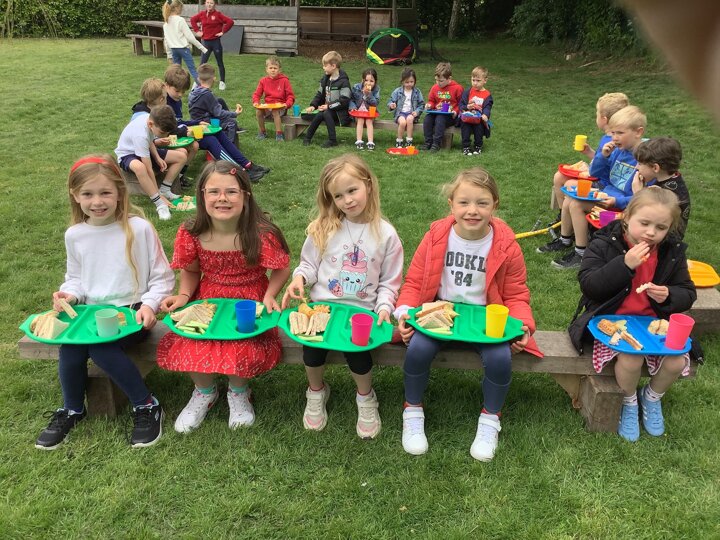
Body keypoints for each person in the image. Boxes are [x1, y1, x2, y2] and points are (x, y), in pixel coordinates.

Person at [394, 167, 541, 461]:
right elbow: (414, 281)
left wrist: (523, 326)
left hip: (485, 319)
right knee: (418, 349)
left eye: (482, 203)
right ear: (451, 204)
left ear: (494, 205)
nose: (472, 211)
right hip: (440, 313)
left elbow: (515, 294)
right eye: (464, 202)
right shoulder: (435, 238)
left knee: (500, 357)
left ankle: (490, 419)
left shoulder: (506, 246)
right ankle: (412, 410)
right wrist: (405, 312)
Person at [35, 155, 175, 450]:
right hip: (89, 315)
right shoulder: (75, 235)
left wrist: (149, 305)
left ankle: (146, 405)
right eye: (87, 194)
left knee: (101, 348)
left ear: (120, 192)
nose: (97, 201)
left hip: (132, 312)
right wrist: (69, 294)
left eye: (105, 193)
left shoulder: (139, 229)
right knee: (70, 348)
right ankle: (72, 409)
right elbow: (76, 278)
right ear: (75, 195)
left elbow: (162, 277)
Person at [157, 160, 290, 433]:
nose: (222, 198)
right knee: (191, 340)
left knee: (240, 343)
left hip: (249, 299)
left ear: (246, 196)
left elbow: (281, 268)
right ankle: (204, 391)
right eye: (214, 192)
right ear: (202, 195)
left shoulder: (260, 232)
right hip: (208, 298)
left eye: (231, 191)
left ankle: (239, 391)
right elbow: (191, 270)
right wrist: (183, 295)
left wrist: (269, 295)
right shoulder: (192, 232)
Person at [281, 154, 403, 439]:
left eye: (352, 190)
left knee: (358, 355)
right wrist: (299, 278)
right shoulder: (325, 227)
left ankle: (366, 397)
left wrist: (384, 307)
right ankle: (316, 391)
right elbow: (309, 264)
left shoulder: (386, 234)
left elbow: (389, 282)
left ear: (368, 185)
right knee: (312, 351)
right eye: (338, 196)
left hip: (361, 312)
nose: (347, 200)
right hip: (323, 308)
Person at [568, 187, 696, 442]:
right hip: (611, 321)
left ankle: (651, 397)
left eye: (660, 227)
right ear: (626, 217)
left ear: (669, 229)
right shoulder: (604, 243)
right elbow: (590, 285)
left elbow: (688, 292)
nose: (651, 232)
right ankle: (628, 401)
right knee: (631, 358)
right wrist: (624, 264)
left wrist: (669, 294)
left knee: (676, 361)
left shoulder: (671, 252)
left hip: (651, 324)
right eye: (644, 223)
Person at [538, 105, 647, 269]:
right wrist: (603, 156)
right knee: (570, 196)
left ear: (638, 132)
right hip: (606, 197)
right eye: (613, 133)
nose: (614, 138)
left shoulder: (645, 158)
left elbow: (643, 197)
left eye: (620, 133)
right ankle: (565, 239)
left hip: (622, 208)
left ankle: (581, 253)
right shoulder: (619, 150)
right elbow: (595, 172)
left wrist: (616, 201)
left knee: (576, 204)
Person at [165, 65, 269, 183]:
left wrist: (197, 122)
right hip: (172, 138)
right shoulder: (165, 102)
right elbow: (167, 128)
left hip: (182, 132)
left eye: (183, 92)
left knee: (218, 132)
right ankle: (239, 172)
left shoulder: (176, 100)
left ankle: (248, 165)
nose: (180, 95)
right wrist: (187, 130)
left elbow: (178, 122)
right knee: (210, 140)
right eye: (177, 91)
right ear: (167, 86)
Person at [549, 93, 630, 212]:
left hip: (602, 183)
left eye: (597, 113)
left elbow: (604, 168)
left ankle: (567, 214)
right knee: (559, 176)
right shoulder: (607, 138)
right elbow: (602, 159)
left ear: (604, 119)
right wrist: (589, 152)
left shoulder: (615, 143)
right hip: (597, 176)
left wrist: (588, 171)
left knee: (569, 184)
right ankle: (562, 214)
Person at [114, 105, 187, 221]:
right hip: (127, 154)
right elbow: (148, 169)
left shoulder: (151, 119)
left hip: (144, 149)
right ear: (150, 124)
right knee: (140, 168)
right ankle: (160, 204)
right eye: (162, 132)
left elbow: (150, 140)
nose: (165, 135)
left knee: (181, 156)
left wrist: (157, 158)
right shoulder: (140, 135)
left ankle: (165, 189)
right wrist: (159, 196)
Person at [632, 137, 691, 238]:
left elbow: (647, 216)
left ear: (655, 168)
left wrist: (638, 194)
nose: (636, 167)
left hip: (661, 240)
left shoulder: (667, 192)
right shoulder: (673, 179)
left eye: (640, 164)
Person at [302, 51, 352, 148]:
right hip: (328, 110)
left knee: (326, 113)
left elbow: (345, 101)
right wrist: (313, 106)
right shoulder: (325, 79)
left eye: (325, 65)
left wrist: (328, 106)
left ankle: (332, 140)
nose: (323, 67)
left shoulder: (344, 82)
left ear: (333, 66)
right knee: (320, 115)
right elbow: (319, 94)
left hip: (340, 113)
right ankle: (307, 138)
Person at [189, 63, 245, 146]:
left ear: (198, 79)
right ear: (214, 79)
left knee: (219, 100)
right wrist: (235, 113)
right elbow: (219, 113)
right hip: (204, 123)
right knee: (232, 123)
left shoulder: (194, 91)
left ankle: (230, 133)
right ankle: (230, 148)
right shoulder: (207, 94)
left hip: (195, 119)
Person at [162, 0, 208, 86]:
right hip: (183, 49)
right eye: (181, 8)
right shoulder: (180, 20)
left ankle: (175, 88)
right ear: (176, 8)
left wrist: (169, 54)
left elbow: (166, 41)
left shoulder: (166, 22)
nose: (182, 10)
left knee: (176, 73)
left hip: (173, 50)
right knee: (192, 70)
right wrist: (203, 48)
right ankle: (202, 88)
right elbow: (190, 37)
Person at [190, 0, 233, 91]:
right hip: (206, 43)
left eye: (211, 3)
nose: (209, 5)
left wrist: (223, 32)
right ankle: (197, 83)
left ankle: (222, 82)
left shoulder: (218, 15)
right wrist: (197, 31)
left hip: (215, 42)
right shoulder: (202, 14)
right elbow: (192, 20)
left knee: (220, 63)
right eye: (208, 2)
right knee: (202, 64)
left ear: (215, 4)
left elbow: (230, 22)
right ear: (205, 4)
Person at [421, 62, 464, 152]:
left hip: (451, 116)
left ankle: (436, 144)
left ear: (449, 79)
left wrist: (455, 111)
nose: (438, 83)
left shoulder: (458, 88)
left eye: (441, 81)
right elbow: (431, 101)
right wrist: (429, 105)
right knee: (427, 119)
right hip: (437, 112)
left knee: (440, 119)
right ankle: (428, 142)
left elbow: (461, 104)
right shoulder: (434, 88)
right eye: (436, 80)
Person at [252, 56, 296, 142]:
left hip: (281, 107)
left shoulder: (284, 80)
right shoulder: (263, 81)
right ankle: (262, 132)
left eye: (275, 68)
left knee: (275, 111)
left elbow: (290, 96)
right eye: (271, 68)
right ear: (266, 69)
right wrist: (256, 102)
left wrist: (287, 104)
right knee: (258, 111)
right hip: (268, 106)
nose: (273, 70)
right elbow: (257, 94)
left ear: (279, 70)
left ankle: (279, 134)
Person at [458, 66, 493, 156]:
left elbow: (487, 107)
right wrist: (467, 107)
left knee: (479, 127)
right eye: (473, 80)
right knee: (465, 126)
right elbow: (461, 105)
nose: (475, 83)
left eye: (478, 80)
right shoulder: (468, 92)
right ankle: (466, 147)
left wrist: (485, 114)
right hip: (467, 117)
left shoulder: (487, 95)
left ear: (485, 80)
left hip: (479, 118)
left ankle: (478, 146)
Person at [387, 68, 424, 148]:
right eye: (407, 82)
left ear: (415, 81)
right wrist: (391, 105)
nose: (409, 84)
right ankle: (399, 141)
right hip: (400, 114)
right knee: (403, 122)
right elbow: (390, 101)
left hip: (411, 113)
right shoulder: (398, 91)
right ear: (402, 81)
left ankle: (409, 141)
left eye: (411, 82)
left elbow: (421, 104)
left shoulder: (417, 92)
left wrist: (417, 112)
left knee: (409, 119)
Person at [350, 68, 380, 151]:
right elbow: (351, 99)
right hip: (358, 112)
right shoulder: (356, 87)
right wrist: (352, 107)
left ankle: (370, 142)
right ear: (362, 80)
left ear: (375, 82)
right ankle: (359, 141)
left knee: (369, 121)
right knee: (360, 119)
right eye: (366, 80)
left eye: (371, 81)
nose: (368, 83)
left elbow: (375, 103)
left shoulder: (376, 89)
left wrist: (369, 95)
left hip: (370, 112)